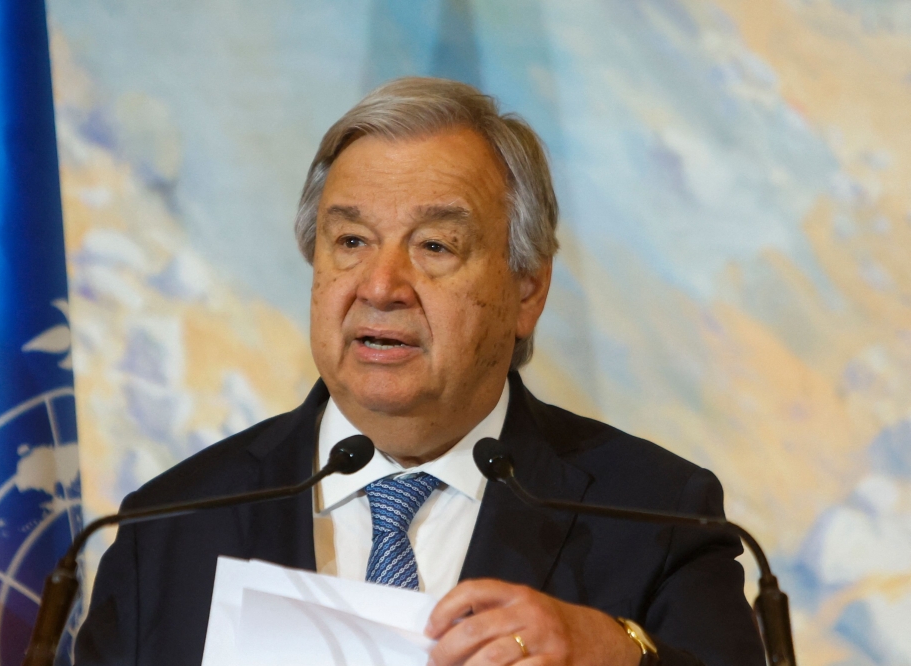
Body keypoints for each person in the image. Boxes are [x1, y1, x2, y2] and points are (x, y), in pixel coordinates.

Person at [74, 77, 765, 666]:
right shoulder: (170, 527)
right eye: (350, 241)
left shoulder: (657, 517)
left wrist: (620, 653)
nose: (381, 286)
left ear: (528, 289)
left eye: (435, 246)